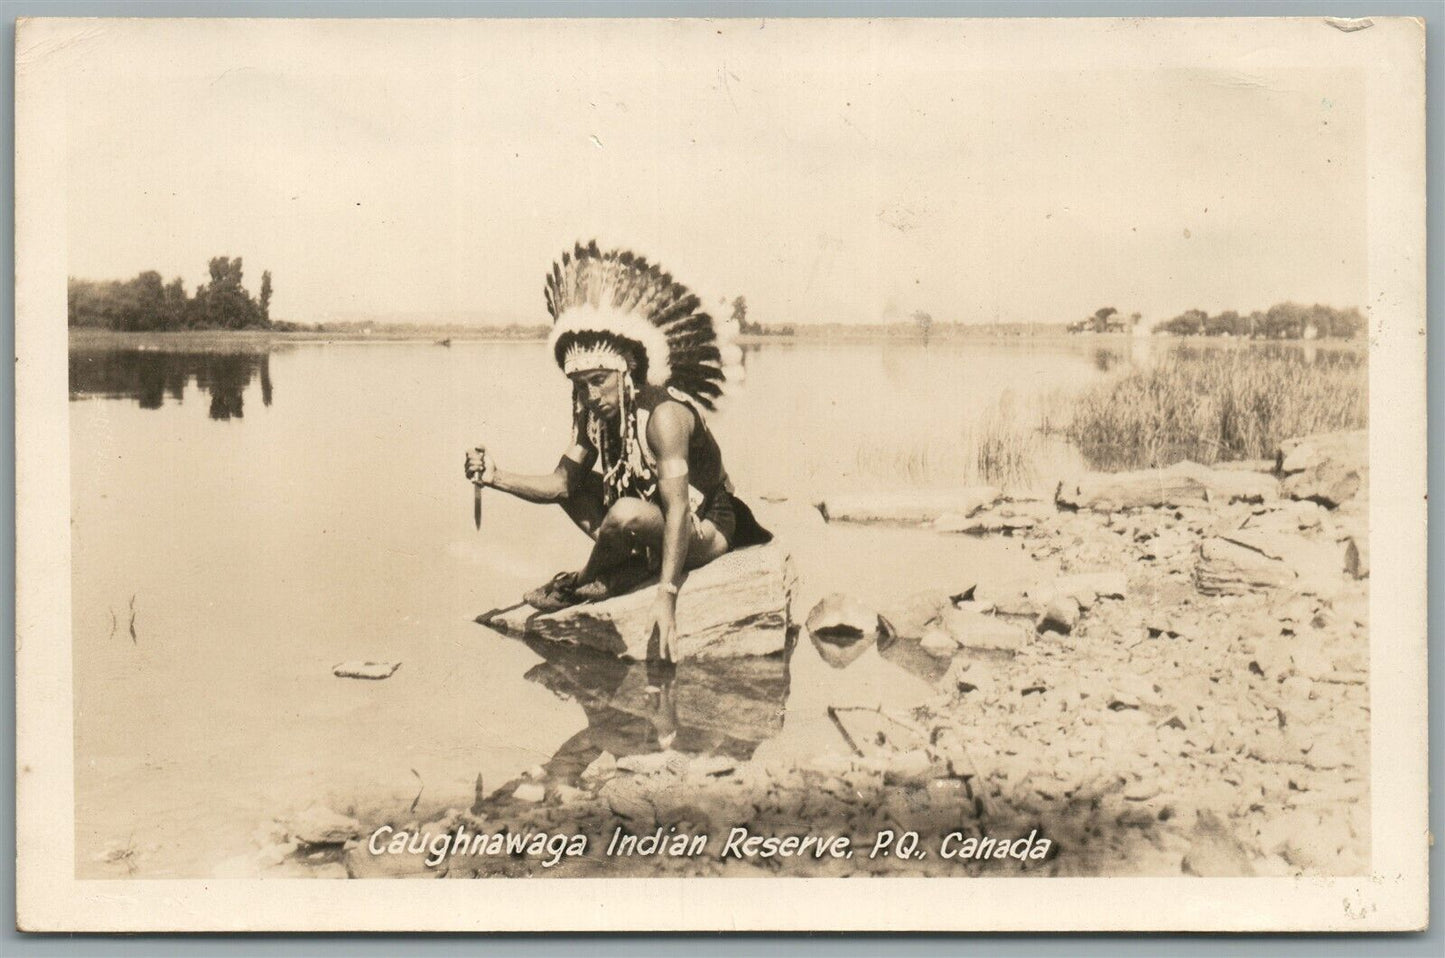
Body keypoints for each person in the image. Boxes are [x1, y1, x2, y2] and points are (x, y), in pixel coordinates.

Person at [465, 242, 770, 661]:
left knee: (626, 511)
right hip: (649, 521)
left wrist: (666, 596)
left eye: (598, 381)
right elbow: (561, 486)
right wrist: (495, 476)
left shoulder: (663, 416)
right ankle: (619, 569)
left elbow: (678, 510)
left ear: (624, 374)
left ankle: (582, 582)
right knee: (585, 492)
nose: (590, 395)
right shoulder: (593, 415)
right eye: (580, 386)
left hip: (706, 528)